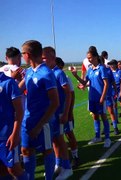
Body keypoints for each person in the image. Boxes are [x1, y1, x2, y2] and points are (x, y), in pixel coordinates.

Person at [20, 40, 59, 180]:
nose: (22, 56)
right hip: (28, 119)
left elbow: (55, 102)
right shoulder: (29, 72)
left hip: (44, 122)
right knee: (26, 150)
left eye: (22, 53)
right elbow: (19, 90)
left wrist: (40, 125)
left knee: (47, 151)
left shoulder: (46, 73)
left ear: (28, 55)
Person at [71, 48, 112, 148]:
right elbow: (85, 82)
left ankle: (107, 138)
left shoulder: (101, 68)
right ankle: (97, 136)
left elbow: (106, 84)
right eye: (87, 58)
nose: (88, 60)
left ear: (95, 57)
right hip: (92, 98)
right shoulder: (90, 70)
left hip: (100, 98)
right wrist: (76, 76)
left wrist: (102, 97)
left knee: (103, 116)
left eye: (90, 58)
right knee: (95, 116)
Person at [42, 47, 73, 179]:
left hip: (59, 112)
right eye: (42, 58)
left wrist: (66, 113)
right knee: (54, 140)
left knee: (60, 139)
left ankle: (67, 167)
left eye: (45, 58)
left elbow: (68, 94)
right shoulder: (46, 72)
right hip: (51, 114)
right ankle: (58, 164)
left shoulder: (58, 73)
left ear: (53, 58)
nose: (43, 60)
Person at [0, 72, 27, 179]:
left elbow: (19, 111)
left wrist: (15, 133)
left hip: (7, 136)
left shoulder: (9, 82)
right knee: (1, 169)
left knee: (13, 168)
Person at [55, 57, 80, 168]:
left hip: (64, 112)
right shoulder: (50, 77)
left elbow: (72, 95)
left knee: (69, 134)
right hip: (54, 113)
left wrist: (69, 112)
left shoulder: (65, 78)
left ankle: (75, 156)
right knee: (56, 137)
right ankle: (58, 162)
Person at [108, 59, 121, 123]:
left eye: (112, 64)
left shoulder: (120, 72)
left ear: (115, 65)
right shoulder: (109, 72)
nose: (111, 66)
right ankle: (115, 119)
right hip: (112, 91)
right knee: (114, 105)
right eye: (110, 64)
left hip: (119, 90)